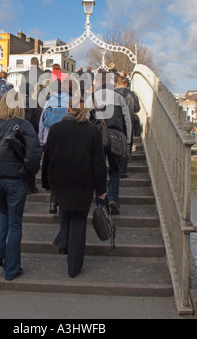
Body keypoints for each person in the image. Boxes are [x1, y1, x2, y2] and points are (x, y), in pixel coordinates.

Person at [0, 91, 42, 281]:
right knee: (15, 224)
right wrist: (28, 172)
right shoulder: (23, 125)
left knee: (4, 213)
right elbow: (34, 152)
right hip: (15, 178)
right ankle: (11, 269)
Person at [42, 98, 107, 278]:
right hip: (83, 182)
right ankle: (74, 266)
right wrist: (101, 188)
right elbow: (99, 163)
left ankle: (63, 242)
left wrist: (46, 184)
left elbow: (47, 158)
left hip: (60, 182)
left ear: (68, 109)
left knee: (65, 211)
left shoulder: (56, 129)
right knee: (78, 221)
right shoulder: (92, 131)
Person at [90, 70, 131, 215]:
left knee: (97, 170)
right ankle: (113, 198)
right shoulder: (118, 97)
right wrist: (128, 140)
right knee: (114, 170)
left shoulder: (92, 97)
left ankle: (101, 203)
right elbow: (127, 120)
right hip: (115, 137)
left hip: (97, 138)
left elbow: (87, 120)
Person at [38, 79, 70, 214]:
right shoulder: (71, 100)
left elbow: (42, 121)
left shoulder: (49, 101)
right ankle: (63, 200)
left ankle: (52, 201)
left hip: (49, 138)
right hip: (66, 139)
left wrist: (41, 139)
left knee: (52, 169)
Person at [115, 75, 140, 178]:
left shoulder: (113, 94)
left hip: (116, 122)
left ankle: (116, 165)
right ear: (126, 84)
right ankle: (123, 169)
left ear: (116, 84)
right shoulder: (132, 94)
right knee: (127, 143)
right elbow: (137, 108)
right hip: (129, 122)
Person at [19, 82, 42, 194]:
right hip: (31, 136)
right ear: (32, 92)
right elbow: (38, 122)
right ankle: (31, 186)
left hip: (17, 136)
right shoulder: (35, 104)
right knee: (31, 160)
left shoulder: (15, 103)